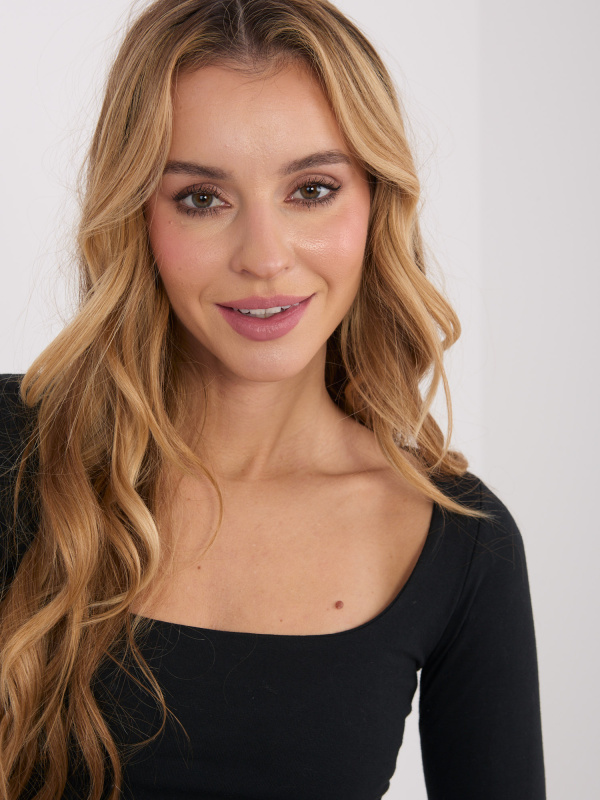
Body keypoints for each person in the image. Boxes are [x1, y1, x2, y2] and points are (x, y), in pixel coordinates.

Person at [0, 0, 545, 798]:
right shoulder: (16, 454)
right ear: (137, 218)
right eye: (201, 198)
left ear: (376, 203)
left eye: (312, 189)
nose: (264, 257)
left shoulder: (460, 542)